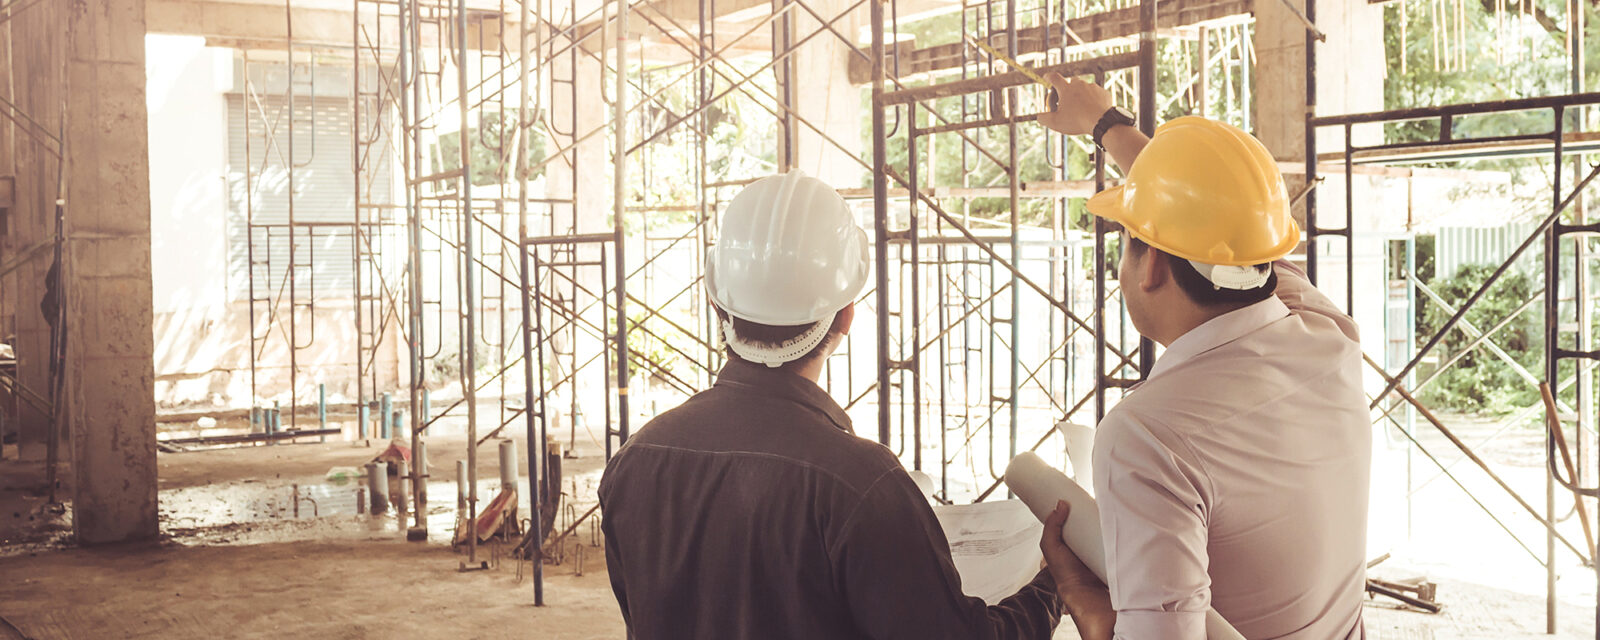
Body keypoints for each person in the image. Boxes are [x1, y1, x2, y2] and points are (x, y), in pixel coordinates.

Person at [598, 170, 1072, 639]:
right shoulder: (860, 483)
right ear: (845, 315)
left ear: (717, 304)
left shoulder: (634, 463)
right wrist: (1055, 587)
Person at [1033, 74, 1371, 640]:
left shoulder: (1147, 437)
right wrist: (1107, 125)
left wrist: (1091, 612)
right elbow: (1230, 228)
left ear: (1151, 267)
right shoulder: (1329, 335)